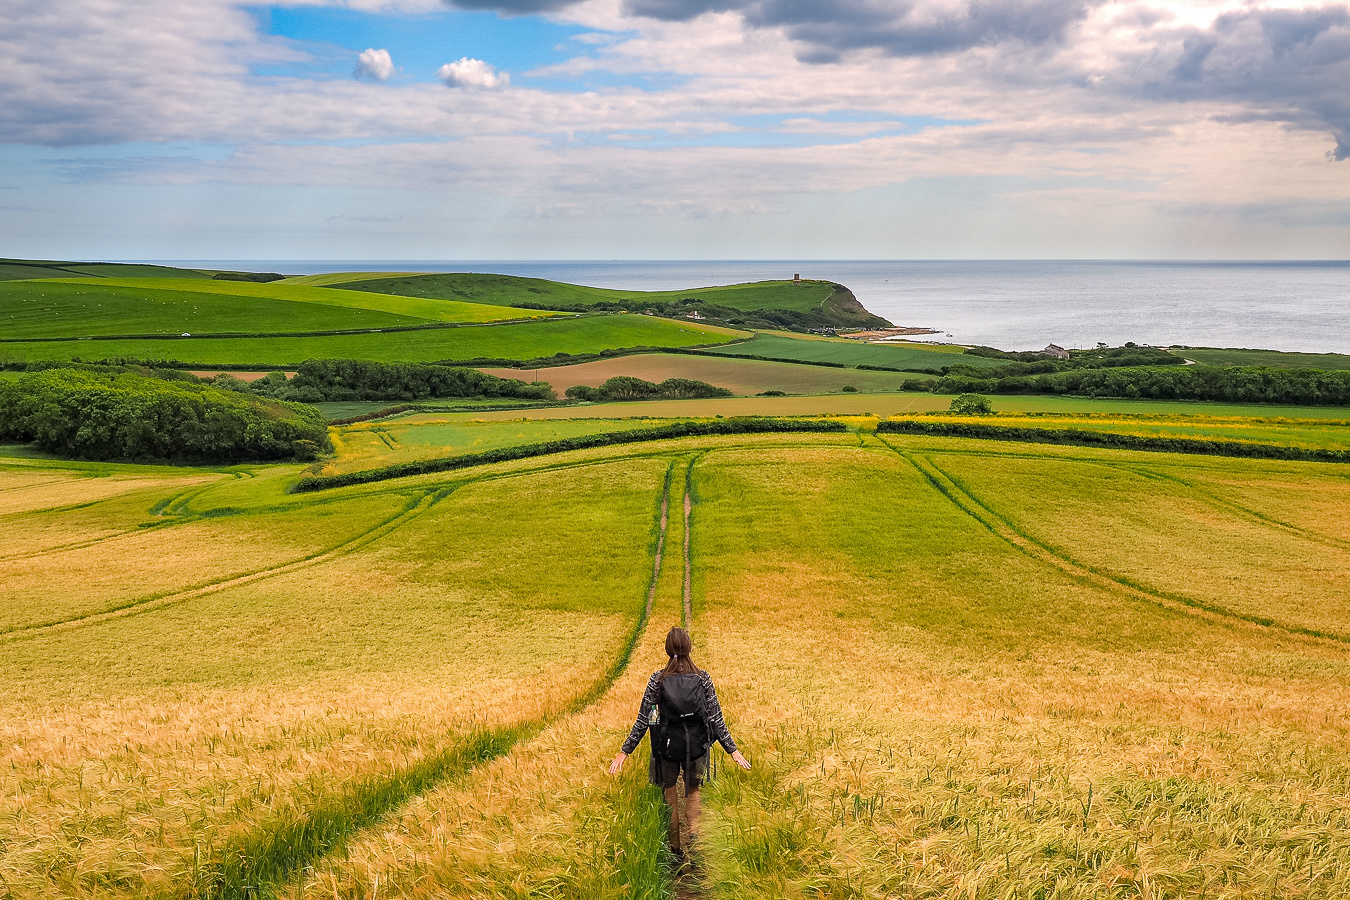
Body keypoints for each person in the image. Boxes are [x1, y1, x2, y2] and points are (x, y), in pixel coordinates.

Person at [609, 626, 750, 859]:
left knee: (670, 794)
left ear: (667, 650)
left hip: (667, 747)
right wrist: (732, 750)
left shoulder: (657, 680)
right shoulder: (703, 678)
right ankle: (694, 841)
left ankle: (676, 851)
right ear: (689, 647)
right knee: (693, 790)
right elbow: (715, 717)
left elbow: (646, 719)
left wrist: (625, 752)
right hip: (696, 746)